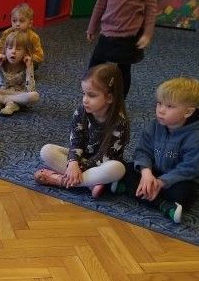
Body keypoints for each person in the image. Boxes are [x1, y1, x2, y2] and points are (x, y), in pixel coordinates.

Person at [110, 77, 199, 223]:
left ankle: (133, 191)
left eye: (169, 106)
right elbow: (142, 151)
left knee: (184, 193)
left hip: (180, 178)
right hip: (155, 171)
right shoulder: (155, 125)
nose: (161, 110)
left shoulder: (196, 136)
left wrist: (161, 182)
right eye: (159, 103)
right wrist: (146, 173)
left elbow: (189, 168)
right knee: (123, 168)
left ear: (188, 112)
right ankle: (162, 204)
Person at [34, 63, 129, 198]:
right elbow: (76, 140)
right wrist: (73, 162)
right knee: (46, 150)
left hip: (103, 164)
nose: (85, 100)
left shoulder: (119, 122)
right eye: (84, 94)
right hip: (80, 158)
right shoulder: (81, 111)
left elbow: (104, 157)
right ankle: (90, 183)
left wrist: (77, 168)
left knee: (118, 169)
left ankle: (60, 180)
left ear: (110, 97)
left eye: (91, 95)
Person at [0, 30, 40, 116]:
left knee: (34, 96)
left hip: (16, 94)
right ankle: (8, 102)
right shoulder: (2, 62)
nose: (13, 51)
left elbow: (30, 90)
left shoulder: (26, 65)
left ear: (25, 53)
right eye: (10, 48)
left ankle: (0, 101)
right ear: (5, 50)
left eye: (18, 49)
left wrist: (29, 68)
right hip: (0, 91)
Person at [0, 3, 44, 68]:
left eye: (21, 21)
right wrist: (0, 56)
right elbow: (0, 48)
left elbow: (39, 55)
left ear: (30, 23)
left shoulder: (33, 37)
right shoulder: (7, 33)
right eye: (14, 21)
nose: (17, 24)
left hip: (24, 60)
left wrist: (28, 57)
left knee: (35, 65)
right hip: (8, 58)